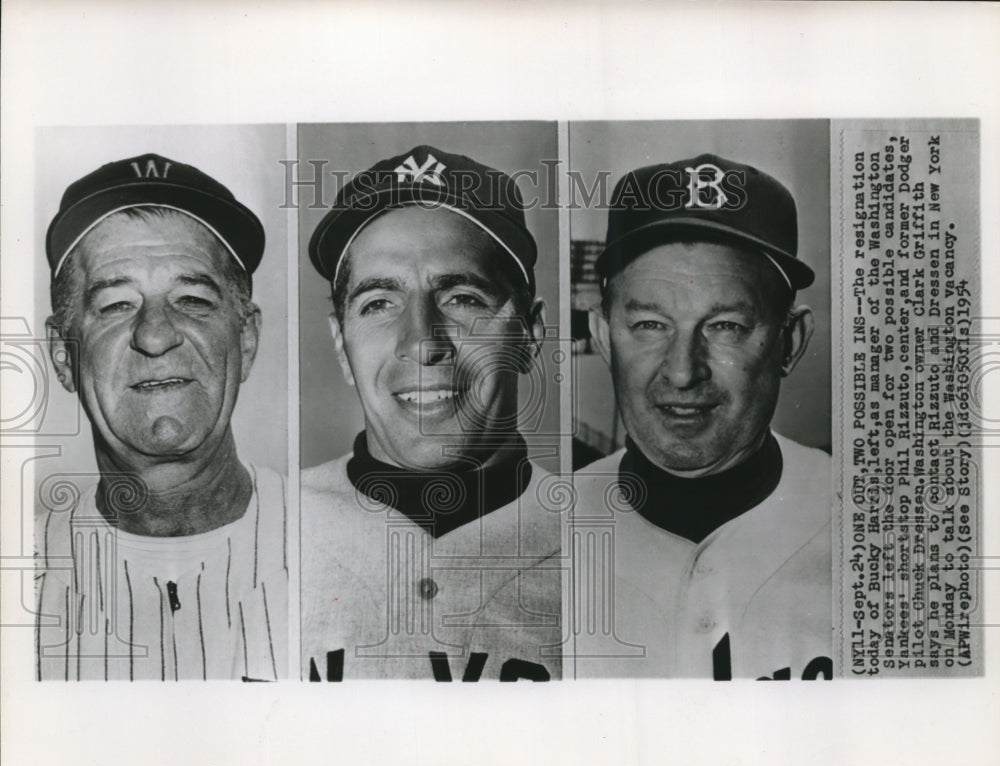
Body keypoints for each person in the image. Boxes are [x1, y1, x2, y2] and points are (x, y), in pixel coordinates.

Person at [302, 145, 561, 680]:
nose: (421, 341)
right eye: (379, 303)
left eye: (462, 298)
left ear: (529, 335)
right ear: (341, 342)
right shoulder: (266, 537)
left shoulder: (603, 548)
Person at [573, 154, 832, 679]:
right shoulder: (540, 534)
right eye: (649, 324)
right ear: (603, 337)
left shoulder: (882, 534)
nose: (683, 372)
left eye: (726, 327)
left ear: (789, 342)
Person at [35, 153, 287, 681]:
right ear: (63, 355)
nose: (155, 335)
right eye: (116, 305)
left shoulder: (348, 545)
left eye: (192, 299)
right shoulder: (22, 572)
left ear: (246, 337)